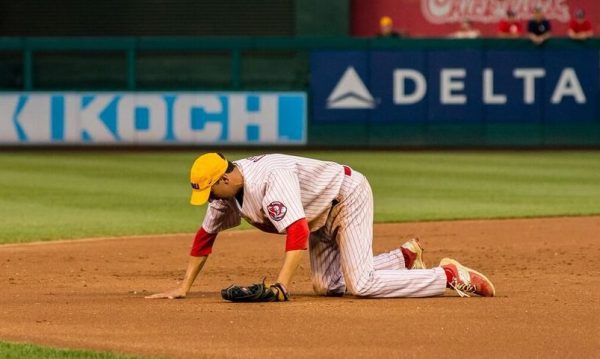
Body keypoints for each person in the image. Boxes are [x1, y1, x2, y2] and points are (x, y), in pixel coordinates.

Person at [146, 153, 495, 300]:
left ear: (224, 176)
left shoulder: (269, 178)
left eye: (210, 190)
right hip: (319, 215)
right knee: (328, 286)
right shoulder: (225, 196)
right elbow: (204, 237)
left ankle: (445, 277)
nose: (210, 199)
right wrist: (183, 286)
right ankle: (402, 258)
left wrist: (282, 285)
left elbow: (296, 231)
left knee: (360, 285)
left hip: (345, 197)